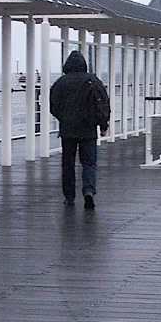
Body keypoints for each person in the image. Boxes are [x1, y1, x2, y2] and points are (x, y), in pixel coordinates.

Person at [49, 50, 111, 209]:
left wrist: (64, 118)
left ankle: (69, 196)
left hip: (68, 130)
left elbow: (53, 106)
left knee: (68, 164)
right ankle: (88, 191)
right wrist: (103, 125)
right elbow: (103, 103)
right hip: (88, 129)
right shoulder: (92, 80)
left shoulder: (61, 82)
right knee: (89, 163)